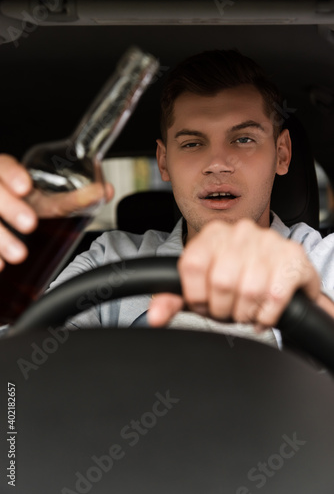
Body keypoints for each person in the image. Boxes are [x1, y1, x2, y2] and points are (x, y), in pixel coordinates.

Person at [1, 49, 334, 347]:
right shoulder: (110, 261)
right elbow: (18, 377)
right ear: (164, 162)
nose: (217, 163)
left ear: (282, 154)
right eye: (192, 143)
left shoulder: (324, 261)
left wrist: (312, 312)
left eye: (243, 139)